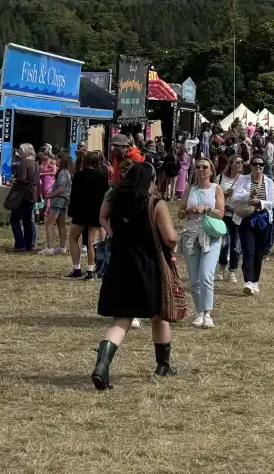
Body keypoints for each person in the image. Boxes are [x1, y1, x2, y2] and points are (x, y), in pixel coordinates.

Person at [92, 163, 178, 390]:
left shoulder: (116, 199)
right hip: (148, 265)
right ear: (150, 181)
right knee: (160, 313)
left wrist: (114, 235)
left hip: (120, 264)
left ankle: (102, 365)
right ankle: (163, 364)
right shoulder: (155, 204)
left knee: (122, 319)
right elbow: (170, 238)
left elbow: (102, 217)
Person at [178, 157, 226, 329]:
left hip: (210, 237)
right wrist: (187, 211)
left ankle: (208, 313)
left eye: (205, 167)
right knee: (194, 279)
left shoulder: (216, 189)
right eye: (198, 167)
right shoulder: (190, 189)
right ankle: (199, 312)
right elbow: (180, 214)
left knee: (206, 275)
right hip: (191, 236)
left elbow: (220, 212)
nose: (201, 169)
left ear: (211, 171)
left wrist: (205, 209)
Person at [229, 153, 274, 296]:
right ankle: (248, 281)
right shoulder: (243, 179)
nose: (258, 167)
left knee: (259, 252)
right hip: (246, 218)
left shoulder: (268, 182)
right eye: (255, 164)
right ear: (251, 165)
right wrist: (249, 194)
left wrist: (260, 202)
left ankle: (255, 281)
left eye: (261, 165)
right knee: (248, 249)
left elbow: (272, 202)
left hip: (263, 219)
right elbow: (235, 197)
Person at [67, 151, 109, 280]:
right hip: (95, 211)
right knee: (92, 241)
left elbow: (73, 195)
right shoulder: (102, 176)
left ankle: (76, 268)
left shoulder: (78, 176)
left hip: (80, 210)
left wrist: (71, 211)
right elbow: (105, 195)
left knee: (73, 238)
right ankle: (90, 270)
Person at [217, 155, 244, 282]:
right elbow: (213, 195)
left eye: (242, 162)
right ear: (231, 164)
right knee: (225, 243)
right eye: (237, 162)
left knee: (235, 245)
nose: (240, 164)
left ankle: (232, 271)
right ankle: (221, 268)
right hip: (223, 214)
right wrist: (225, 194)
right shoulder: (221, 178)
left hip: (237, 215)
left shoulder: (244, 180)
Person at [40, 153, 73, 255]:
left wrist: (50, 195)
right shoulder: (68, 172)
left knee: (49, 223)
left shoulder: (62, 172)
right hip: (64, 200)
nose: (56, 161)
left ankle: (50, 247)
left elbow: (61, 189)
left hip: (58, 200)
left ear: (62, 160)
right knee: (61, 224)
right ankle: (62, 246)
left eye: (58, 159)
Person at [9, 143, 40, 252]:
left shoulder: (24, 163)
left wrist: (13, 180)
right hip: (32, 194)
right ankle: (30, 243)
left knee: (15, 219)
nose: (19, 152)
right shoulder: (35, 163)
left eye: (21, 150)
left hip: (22, 195)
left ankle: (20, 244)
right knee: (28, 220)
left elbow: (21, 179)